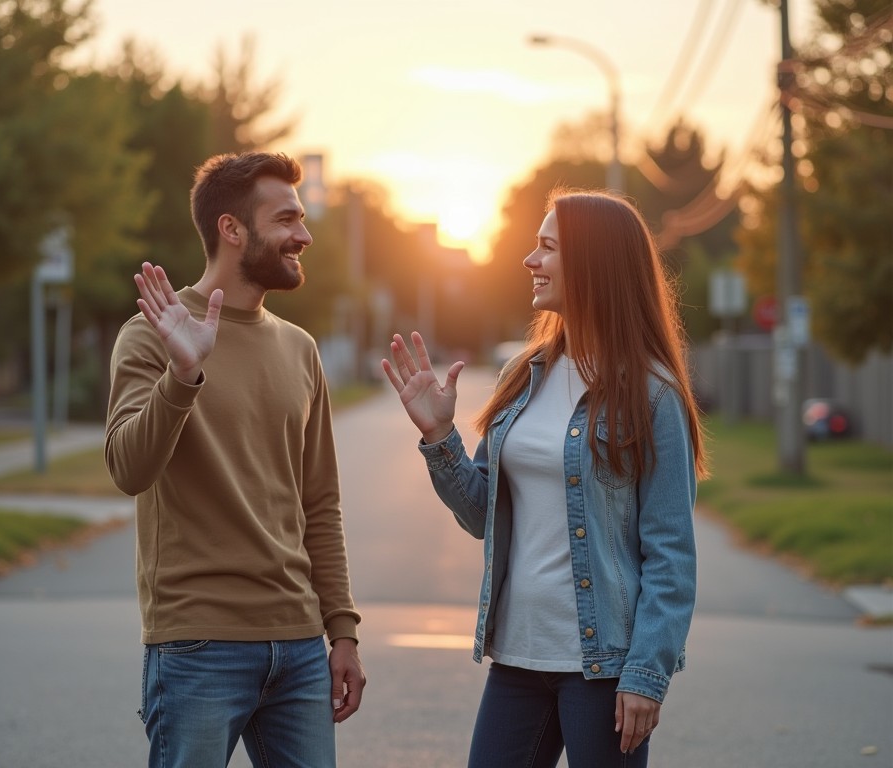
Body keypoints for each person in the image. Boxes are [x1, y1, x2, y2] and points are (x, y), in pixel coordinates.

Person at [382, 189, 707, 767]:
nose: (530, 261)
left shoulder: (651, 394)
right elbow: (484, 515)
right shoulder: (524, 374)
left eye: (547, 247)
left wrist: (646, 674)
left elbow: (671, 552)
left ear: (593, 264)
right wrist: (439, 437)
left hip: (603, 668)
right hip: (516, 656)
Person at [105, 151, 365, 768]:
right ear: (232, 229)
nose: (304, 234)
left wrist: (342, 631)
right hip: (199, 644)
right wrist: (184, 373)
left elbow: (320, 503)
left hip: (300, 646)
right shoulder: (149, 336)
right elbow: (127, 469)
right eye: (286, 219)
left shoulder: (300, 350)